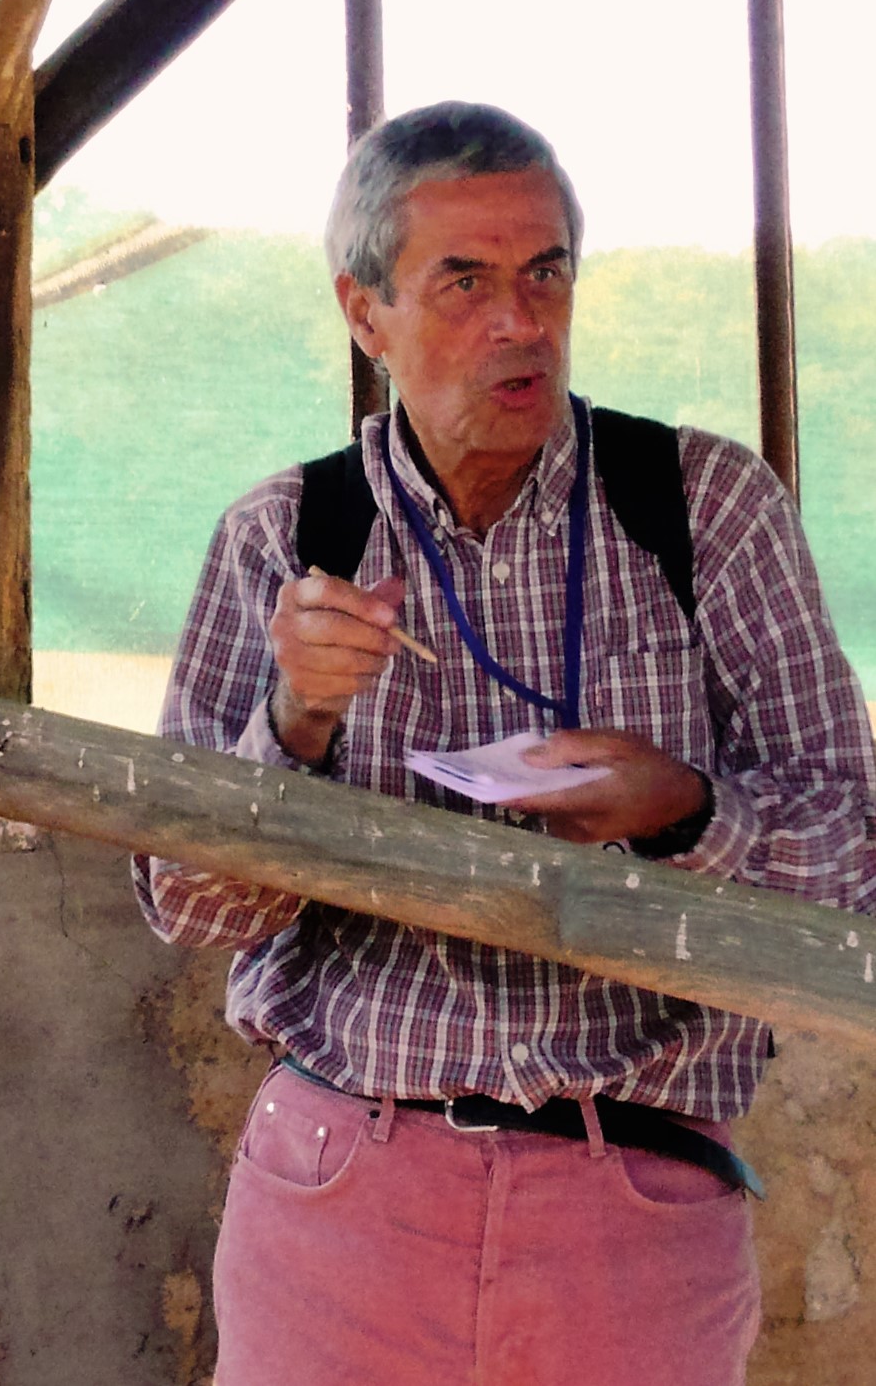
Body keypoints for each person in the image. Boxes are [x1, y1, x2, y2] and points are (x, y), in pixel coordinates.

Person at [134, 101, 876, 1386]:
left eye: (546, 273)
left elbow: (858, 864)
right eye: (463, 282)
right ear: (365, 314)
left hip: (632, 1197)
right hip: (345, 1188)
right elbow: (186, 907)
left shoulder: (706, 509)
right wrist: (296, 722)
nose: (519, 322)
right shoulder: (285, 537)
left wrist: (688, 812)